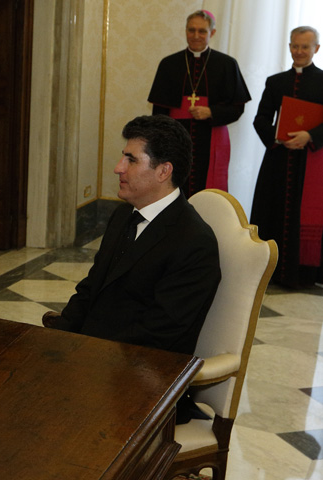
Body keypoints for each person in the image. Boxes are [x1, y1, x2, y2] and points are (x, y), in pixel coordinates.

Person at [43, 115, 221, 423]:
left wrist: (84, 358)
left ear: (164, 171)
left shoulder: (194, 241)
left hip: (142, 384)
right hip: (94, 361)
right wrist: (58, 341)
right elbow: (91, 289)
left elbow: (159, 335)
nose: (118, 168)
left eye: (131, 160)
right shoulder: (123, 215)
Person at [148, 9, 251, 197]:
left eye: (202, 31)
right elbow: (159, 111)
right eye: (191, 30)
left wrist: (211, 112)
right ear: (186, 31)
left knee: (208, 192)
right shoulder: (169, 64)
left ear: (212, 33)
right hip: (176, 140)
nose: (196, 36)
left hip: (211, 137)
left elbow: (237, 108)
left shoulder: (227, 64)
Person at [251, 26, 323, 288]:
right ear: (289, 46)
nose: (299, 51)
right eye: (295, 46)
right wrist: (278, 137)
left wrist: (310, 135)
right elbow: (260, 119)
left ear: (316, 48)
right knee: (273, 208)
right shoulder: (276, 81)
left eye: (305, 46)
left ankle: (304, 275)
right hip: (278, 160)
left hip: (312, 162)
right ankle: (270, 271)